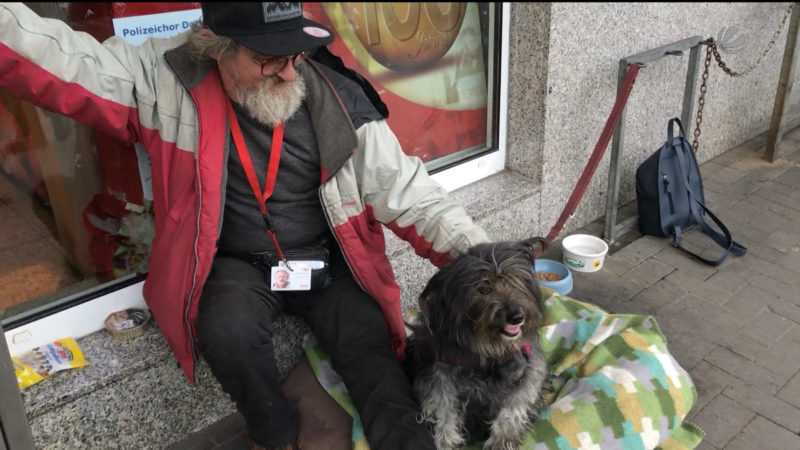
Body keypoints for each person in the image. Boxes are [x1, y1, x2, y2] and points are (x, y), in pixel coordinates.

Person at [0, 2, 489, 449]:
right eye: (267, 58)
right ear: (216, 47)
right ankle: (274, 434)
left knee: (371, 349)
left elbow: (413, 195)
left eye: (295, 53)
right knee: (225, 330)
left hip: (325, 257)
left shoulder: (338, 99)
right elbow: (63, 60)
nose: (288, 70)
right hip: (239, 263)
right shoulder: (166, 79)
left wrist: (489, 266)